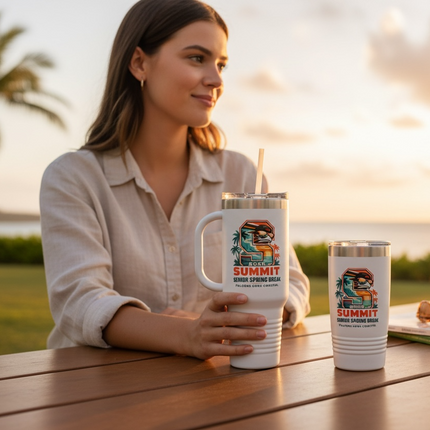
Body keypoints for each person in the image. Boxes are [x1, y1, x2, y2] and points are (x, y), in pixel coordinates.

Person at [40, 0, 310, 360]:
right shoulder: (73, 178)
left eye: (221, 64)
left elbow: (292, 285)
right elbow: (80, 302)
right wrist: (188, 334)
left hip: (213, 390)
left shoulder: (242, 175)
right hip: (95, 393)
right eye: (197, 58)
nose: (216, 79)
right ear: (139, 63)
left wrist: (222, 324)